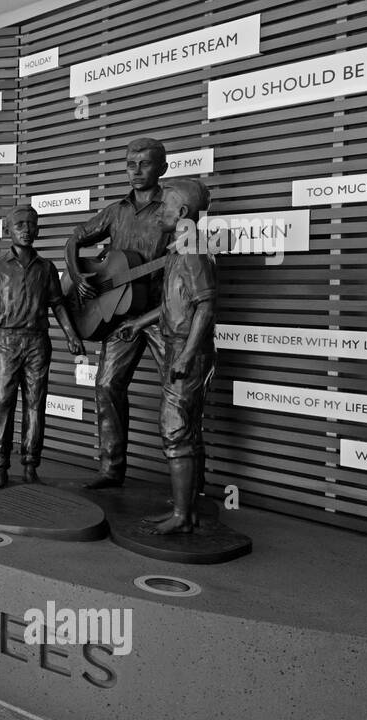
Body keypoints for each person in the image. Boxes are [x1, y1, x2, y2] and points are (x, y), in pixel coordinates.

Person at [64, 136, 173, 490]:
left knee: (176, 392)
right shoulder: (115, 212)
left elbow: (188, 265)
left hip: (161, 314)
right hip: (120, 314)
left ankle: (184, 485)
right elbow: (74, 239)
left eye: (145, 164)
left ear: (163, 168)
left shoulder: (174, 208)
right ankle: (112, 470)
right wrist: (79, 276)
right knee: (107, 385)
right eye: (130, 163)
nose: (136, 171)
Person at [0, 206, 85, 487]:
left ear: (38, 230)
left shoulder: (47, 268)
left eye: (31, 224)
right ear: (7, 231)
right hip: (7, 343)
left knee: (36, 405)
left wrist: (72, 335)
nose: (26, 229)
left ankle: (30, 465)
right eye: (19, 224)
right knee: (2, 404)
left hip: (38, 342)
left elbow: (58, 305)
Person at [116, 178, 216, 535]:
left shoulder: (192, 252)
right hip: (178, 347)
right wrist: (138, 323)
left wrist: (187, 354)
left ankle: (183, 515)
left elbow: (205, 307)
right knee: (182, 430)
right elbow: (171, 305)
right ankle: (184, 513)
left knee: (174, 429)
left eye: (167, 206)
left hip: (186, 352)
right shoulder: (179, 250)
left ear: (184, 213)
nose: (161, 211)